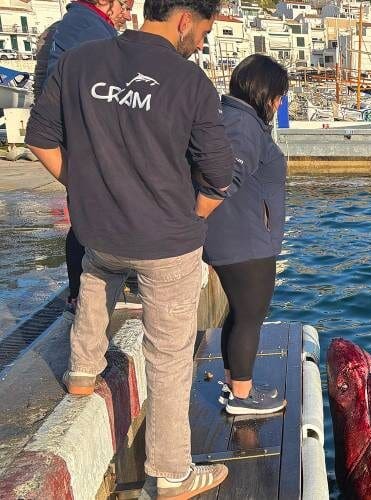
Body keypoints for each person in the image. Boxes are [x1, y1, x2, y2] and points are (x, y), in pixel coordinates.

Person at [25, 0, 235, 497]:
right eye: (203, 31)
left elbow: (40, 139)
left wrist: (82, 190)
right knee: (170, 357)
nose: (202, 43)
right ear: (184, 19)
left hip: (99, 233)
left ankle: (81, 370)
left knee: (98, 275)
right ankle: (172, 473)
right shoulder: (191, 85)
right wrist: (194, 216)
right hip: (165, 244)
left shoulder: (79, 63)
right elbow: (219, 176)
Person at [201, 55, 289, 416]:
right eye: (280, 95)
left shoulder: (232, 116)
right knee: (250, 316)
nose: (280, 103)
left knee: (238, 314)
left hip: (237, 237)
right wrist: (194, 218)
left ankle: (235, 385)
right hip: (246, 241)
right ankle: (243, 397)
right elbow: (226, 176)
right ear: (266, 93)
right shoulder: (244, 126)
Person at [34, 0, 127, 319]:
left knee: (83, 218)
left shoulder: (72, 27)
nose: (126, 13)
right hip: (88, 144)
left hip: (76, 142)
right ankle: (84, 299)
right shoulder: (91, 31)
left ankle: (78, 295)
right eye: (124, 5)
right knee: (90, 223)